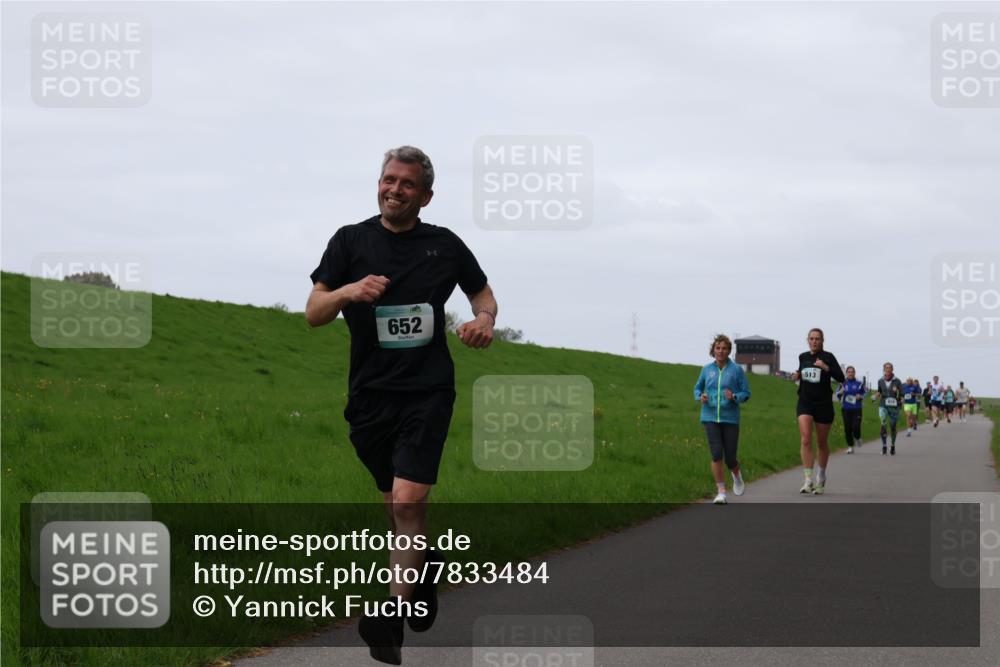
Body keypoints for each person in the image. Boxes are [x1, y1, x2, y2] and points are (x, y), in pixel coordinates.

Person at [306, 146, 497, 665]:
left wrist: (484, 321)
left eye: (406, 184)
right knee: (395, 507)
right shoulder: (350, 241)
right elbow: (313, 312)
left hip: (428, 389)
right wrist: (349, 290)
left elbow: (483, 295)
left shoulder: (444, 245)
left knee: (410, 503)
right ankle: (425, 566)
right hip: (369, 395)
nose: (394, 189)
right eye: (388, 179)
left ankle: (387, 618)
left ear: (425, 196)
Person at [694, 334, 751, 504]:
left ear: (729, 351)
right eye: (718, 348)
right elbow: (697, 388)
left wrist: (734, 396)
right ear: (713, 350)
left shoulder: (736, 370)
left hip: (730, 418)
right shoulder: (706, 370)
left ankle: (737, 476)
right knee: (716, 454)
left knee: (730, 458)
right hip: (710, 417)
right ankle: (721, 492)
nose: (721, 351)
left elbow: (746, 393)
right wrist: (700, 396)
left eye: (724, 348)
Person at [790, 328, 845, 495]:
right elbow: (802, 371)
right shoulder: (803, 357)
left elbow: (841, 378)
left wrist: (826, 367)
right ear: (808, 340)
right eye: (812, 338)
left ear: (822, 341)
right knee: (806, 438)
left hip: (823, 404)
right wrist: (797, 375)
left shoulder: (828, 357)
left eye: (817, 339)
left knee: (821, 442)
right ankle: (808, 480)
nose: (814, 341)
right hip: (805, 402)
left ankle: (821, 476)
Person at [876, 363, 904, 455]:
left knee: (892, 426)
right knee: (883, 422)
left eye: (889, 368)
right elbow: (879, 391)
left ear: (892, 369)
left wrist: (899, 394)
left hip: (894, 406)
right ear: (884, 369)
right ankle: (884, 446)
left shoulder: (897, 381)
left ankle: (892, 445)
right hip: (883, 404)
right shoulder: (880, 381)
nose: (888, 369)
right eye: (886, 368)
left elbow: (902, 394)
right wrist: (876, 395)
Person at [835, 366, 865, 453]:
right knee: (847, 428)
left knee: (856, 426)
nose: (850, 373)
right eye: (849, 372)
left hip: (857, 408)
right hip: (846, 409)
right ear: (846, 373)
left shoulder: (859, 383)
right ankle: (850, 447)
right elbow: (837, 394)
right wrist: (841, 392)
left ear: (854, 373)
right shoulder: (842, 384)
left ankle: (858, 438)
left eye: (852, 372)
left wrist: (861, 396)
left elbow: (865, 392)